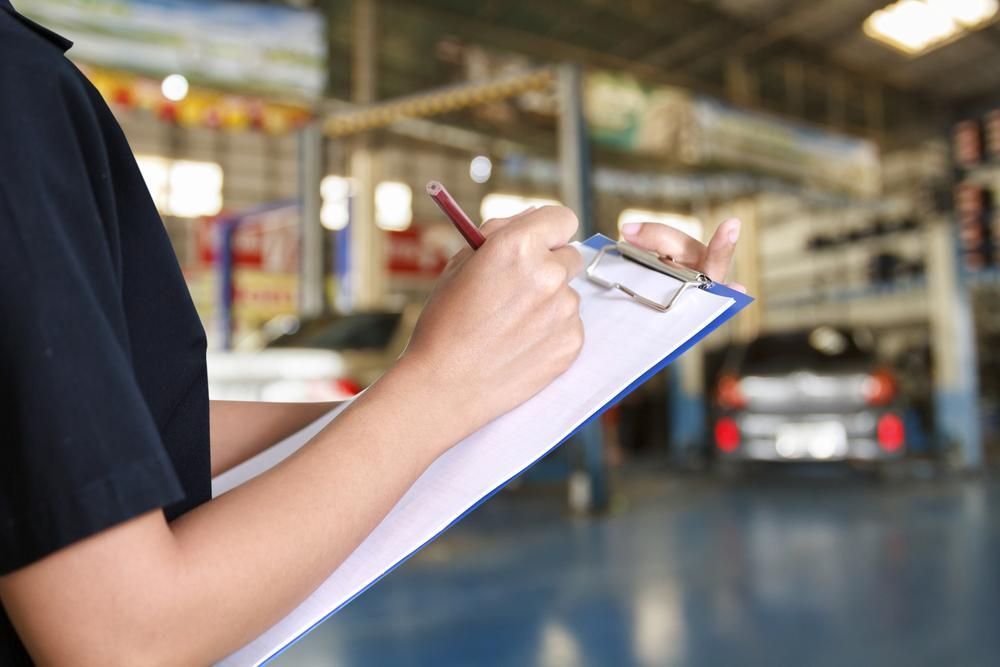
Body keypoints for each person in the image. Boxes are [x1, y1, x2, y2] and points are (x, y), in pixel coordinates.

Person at [0, 3, 742, 664]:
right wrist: (439, 386)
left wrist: (497, 375)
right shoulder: (14, 93)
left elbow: (118, 454)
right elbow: (127, 637)